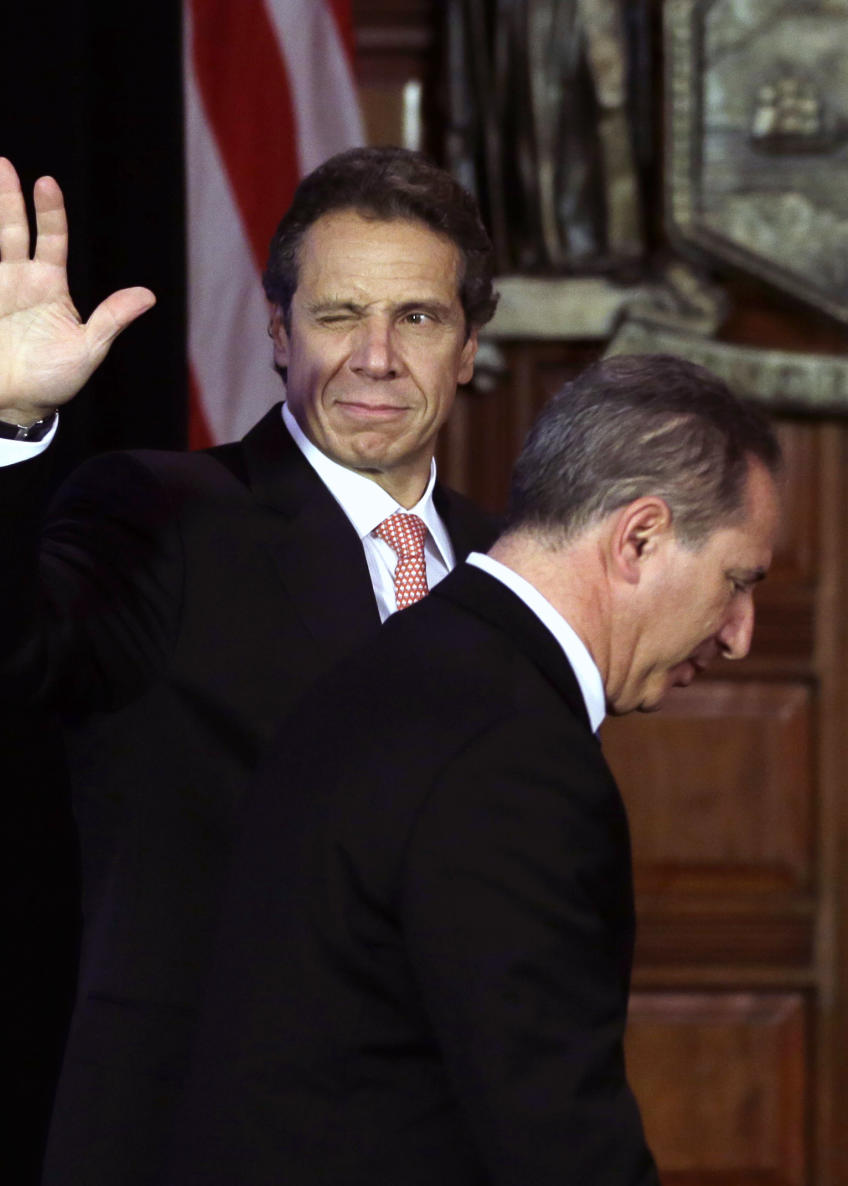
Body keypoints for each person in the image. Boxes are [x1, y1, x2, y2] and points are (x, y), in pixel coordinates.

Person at [0, 148, 498, 1184]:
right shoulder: (163, 518)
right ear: (276, 330)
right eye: (338, 314)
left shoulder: (512, 568)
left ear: (470, 346)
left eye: (420, 318)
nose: (377, 356)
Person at [168, 353, 782, 1185]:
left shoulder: (408, 668)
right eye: (736, 581)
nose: (741, 632)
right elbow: (553, 1137)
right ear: (639, 537)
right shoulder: (514, 755)